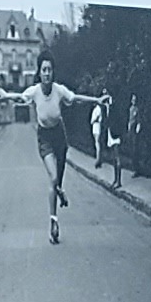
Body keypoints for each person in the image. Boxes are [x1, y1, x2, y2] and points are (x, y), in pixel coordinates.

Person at [29, 64, 108, 244]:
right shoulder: (34, 91)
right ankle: (53, 222)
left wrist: (96, 100)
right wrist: (4, 95)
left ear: (52, 72)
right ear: (39, 73)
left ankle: (60, 190)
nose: (47, 73)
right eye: (44, 70)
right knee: (53, 177)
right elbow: (18, 96)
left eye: (49, 70)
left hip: (59, 136)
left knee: (58, 178)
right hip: (44, 138)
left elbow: (76, 98)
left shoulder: (59, 90)